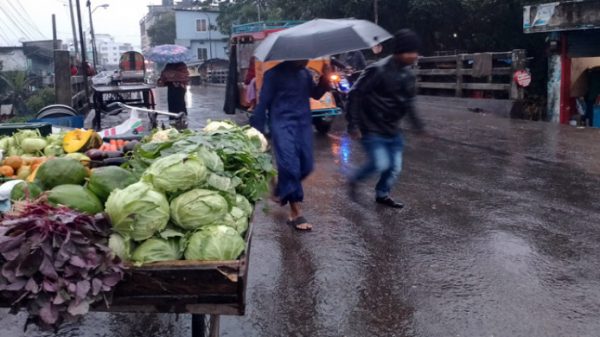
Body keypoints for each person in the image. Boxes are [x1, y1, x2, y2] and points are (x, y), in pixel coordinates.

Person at [347, 29, 425, 209]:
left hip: (392, 129)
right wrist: (353, 124)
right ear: (400, 52)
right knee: (380, 163)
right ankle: (354, 179)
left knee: (394, 167)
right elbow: (355, 94)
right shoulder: (377, 70)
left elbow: (409, 103)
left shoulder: (408, 75)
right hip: (371, 127)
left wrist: (419, 127)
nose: (415, 56)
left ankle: (382, 194)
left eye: (416, 52)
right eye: (411, 52)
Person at [251, 60, 330, 231]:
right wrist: (256, 131)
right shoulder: (272, 75)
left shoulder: (305, 74)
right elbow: (263, 103)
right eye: (302, 56)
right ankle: (295, 213)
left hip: (303, 124)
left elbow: (315, 95)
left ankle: (281, 188)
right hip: (282, 124)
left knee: (307, 166)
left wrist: (325, 78)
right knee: (290, 166)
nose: (306, 60)